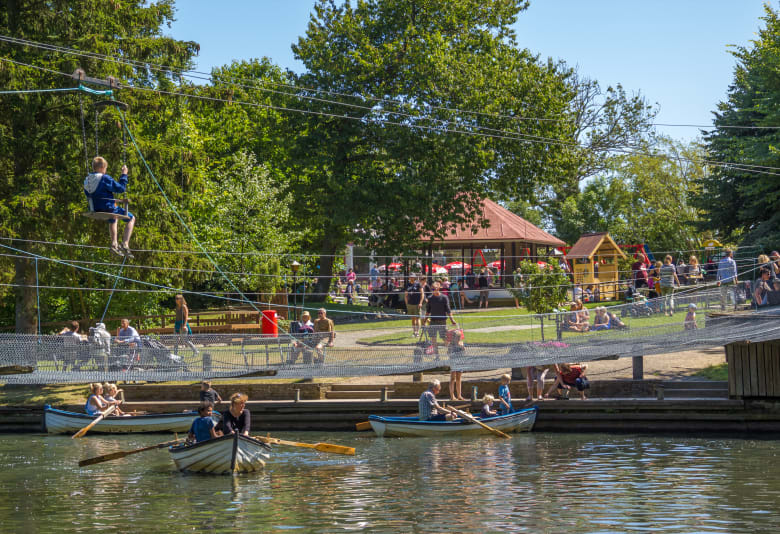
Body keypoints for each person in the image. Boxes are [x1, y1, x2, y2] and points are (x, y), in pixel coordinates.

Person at [83, 156, 136, 258]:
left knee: (113, 218)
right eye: (106, 168)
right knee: (131, 218)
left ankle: (114, 243)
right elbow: (121, 189)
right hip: (108, 208)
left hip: (95, 208)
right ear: (103, 167)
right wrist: (124, 174)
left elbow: (95, 194)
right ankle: (125, 243)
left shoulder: (87, 180)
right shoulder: (104, 178)